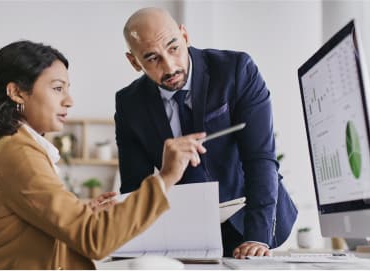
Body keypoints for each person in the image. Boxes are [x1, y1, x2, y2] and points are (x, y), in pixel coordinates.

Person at [0, 40, 207, 269]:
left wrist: (82, 211)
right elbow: (94, 239)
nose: (69, 101)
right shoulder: (19, 152)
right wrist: (166, 177)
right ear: (17, 92)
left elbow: (34, 223)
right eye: (58, 88)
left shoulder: (14, 146)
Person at [115, 7, 298, 258]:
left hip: (258, 226)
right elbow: (135, 186)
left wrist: (258, 238)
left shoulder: (237, 70)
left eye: (173, 48)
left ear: (185, 36)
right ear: (134, 61)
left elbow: (260, 158)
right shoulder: (129, 104)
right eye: (152, 58)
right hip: (188, 239)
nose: (170, 67)